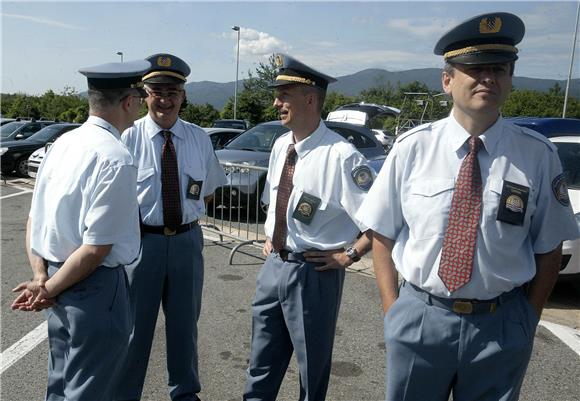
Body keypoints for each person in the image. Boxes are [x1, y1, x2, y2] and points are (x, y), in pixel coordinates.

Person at [357, 12, 580, 401]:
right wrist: (394, 310)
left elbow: (549, 249)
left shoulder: (537, 156)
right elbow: (381, 233)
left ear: (510, 79)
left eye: (500, 69)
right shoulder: (413, 148)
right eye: (475, 68)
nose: (488, 78)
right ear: (448, 80)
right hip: (421, 318)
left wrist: (527, 319)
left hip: (501, 324)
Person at [11, 59, 150, 401]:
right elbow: (95, 249)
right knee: (89, 390)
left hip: (57, 278)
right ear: (128, 102)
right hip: (94, 287)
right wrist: (47, 289)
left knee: (59, 386)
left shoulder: (61, 144)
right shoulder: (116, 157)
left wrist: (42, 278)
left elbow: (35, 220)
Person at [243, 53, 373, 401]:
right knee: (261, 361)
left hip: (314, 273)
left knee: (311, 366)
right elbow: (273, 201)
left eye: (284, 95)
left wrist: (348, 256)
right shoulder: (281, 145)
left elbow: (376, 222)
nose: (276, 102)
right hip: (274, 264)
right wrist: (272, 238)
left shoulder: (342, 156)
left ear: (310, 98)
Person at [115, 53, 226, 401]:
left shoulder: (198, 138)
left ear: (183, 95)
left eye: (173, 91)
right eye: (157, 91)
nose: (165, 99)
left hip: (186, 243)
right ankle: (124, 393)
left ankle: (184, 393)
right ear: (144, 94)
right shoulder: (127, 138)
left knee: (184, 328)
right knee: (134, 329)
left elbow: (207, 192)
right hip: (140, 244)